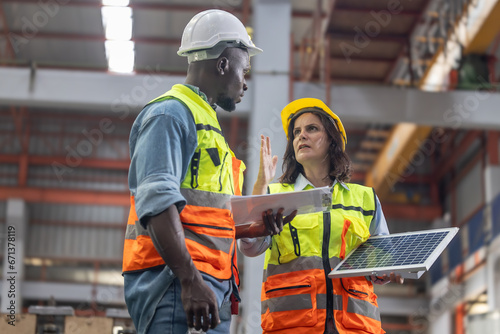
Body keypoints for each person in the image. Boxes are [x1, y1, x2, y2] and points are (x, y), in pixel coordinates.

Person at [122, 9, 295, 334]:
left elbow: (209, 220)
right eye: (244, 71)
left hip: (208, 288)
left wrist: (255, 227)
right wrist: (189, 280)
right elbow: (157, 201)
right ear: (222, 64)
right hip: (175, 286)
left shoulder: (206, 126)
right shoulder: (170, 115)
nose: (245, 83)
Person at [240, 98, 403, 334]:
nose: (301, 136)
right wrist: (260, 185)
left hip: (355, 327)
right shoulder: (275, 195)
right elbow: (251, 247)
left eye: (311, 129)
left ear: (331, 140)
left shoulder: (365, 199)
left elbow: (382, 263)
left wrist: (389, 272)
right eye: (296, 132)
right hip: (292, 326)